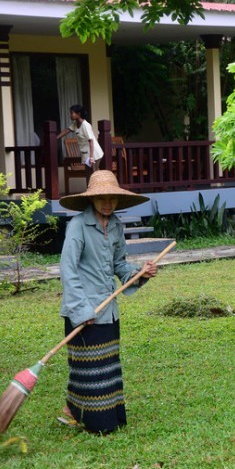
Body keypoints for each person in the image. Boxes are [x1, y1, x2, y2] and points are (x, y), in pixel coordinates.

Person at [58, 170, 158, 434]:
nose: (107, 204)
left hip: (108, 311)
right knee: (86, 367)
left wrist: (139, 273)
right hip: (84, 311)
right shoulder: (78, 226)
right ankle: (77, 412)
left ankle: (83, 411)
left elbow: (119, 265)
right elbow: (68, 269)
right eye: (101, 198)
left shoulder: (115, 226)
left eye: (112, 199)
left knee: (107, 366)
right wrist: (81, 309)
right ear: (91, 199)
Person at [57, 104, 104, 169]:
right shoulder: (75, 124)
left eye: (71, 113)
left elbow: (91, 141)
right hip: (86, 154)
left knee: (93, 174)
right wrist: (56, 138)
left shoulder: (85, 125)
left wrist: (91, 157)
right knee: (88, 174)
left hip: (94, 154)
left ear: (78, 114)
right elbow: (67, 130)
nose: (70, 115)